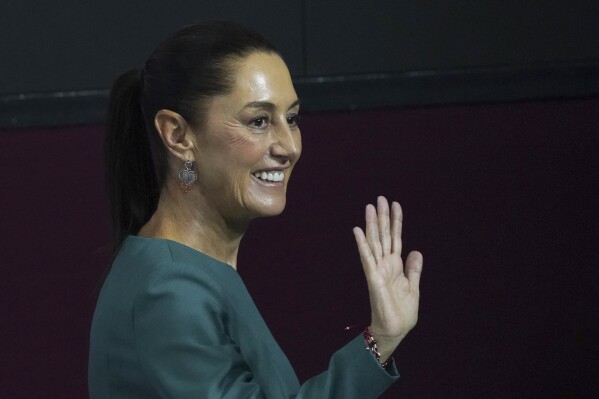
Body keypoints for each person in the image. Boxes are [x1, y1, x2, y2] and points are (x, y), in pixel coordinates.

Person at [88, 21, 423, 398]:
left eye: (292, 119)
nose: (288, 146)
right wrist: (377, 344)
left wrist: (384, 336)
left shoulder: (186, 271)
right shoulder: (169, 292)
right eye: (259, 121)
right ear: (178, 135)